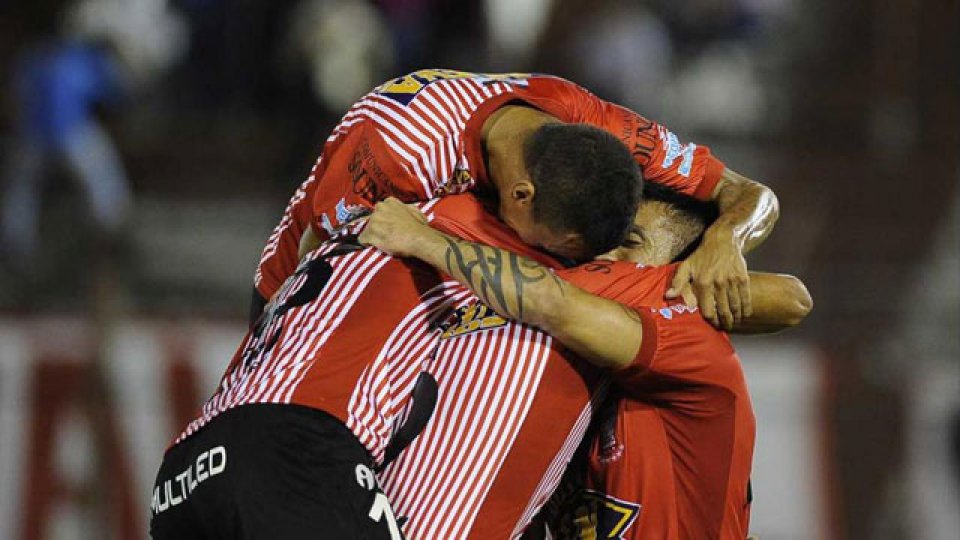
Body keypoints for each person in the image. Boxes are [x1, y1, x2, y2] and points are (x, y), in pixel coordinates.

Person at [359, 191, 809, 538]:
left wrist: (422, 239)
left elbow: (555, 303)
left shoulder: (693, 348)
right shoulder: (574, 374)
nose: (604, 258)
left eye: (629, 244)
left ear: (684, 272)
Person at [254, 69, 779, 331]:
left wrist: (726, 237)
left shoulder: (589, 119)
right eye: (563, 250)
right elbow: (311, 263)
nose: (580, 268)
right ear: (521, 196)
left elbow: (750, 193)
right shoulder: (404, 155)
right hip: (293, 294)